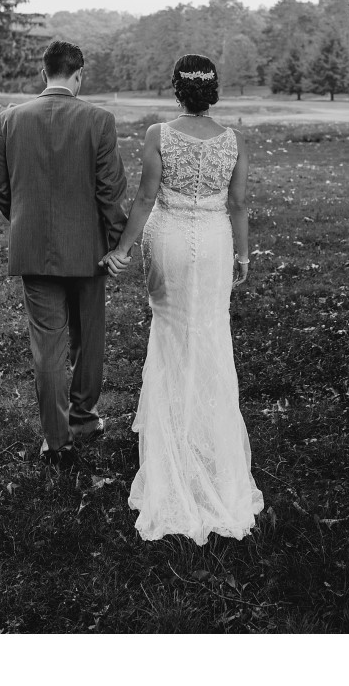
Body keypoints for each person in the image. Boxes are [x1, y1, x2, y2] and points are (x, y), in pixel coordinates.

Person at [100, 54, 264, 543]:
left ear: (178, 90)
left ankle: (173, 435)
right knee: (210, 330)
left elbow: (147, 198)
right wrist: (244, 255)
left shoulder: (158, 134)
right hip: (215, 241)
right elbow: (238, 204)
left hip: (168, 237)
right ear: (214, 91)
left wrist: (122, 249)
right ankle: (205, 437)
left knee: (170, 330)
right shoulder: (234, 140)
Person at [0, 40, 129, 467]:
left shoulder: (10, 119)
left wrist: (27, 226)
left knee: (47, 346)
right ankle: (84, 419)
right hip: (88, 250)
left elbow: (2, 189)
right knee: (89, 337)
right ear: (79, 74)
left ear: (43, 71)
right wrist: (117, 240)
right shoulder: (98, 119)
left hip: (33, 248)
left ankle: (56, 441)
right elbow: (111, 192)